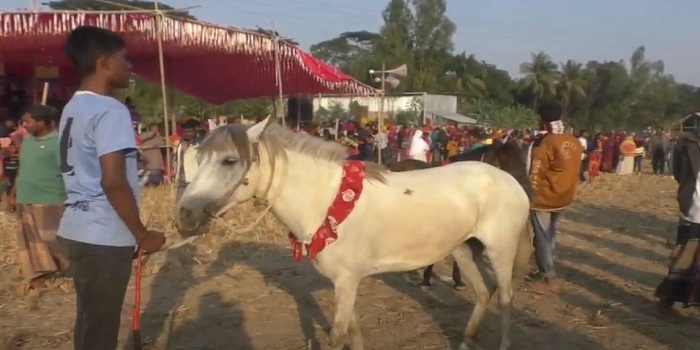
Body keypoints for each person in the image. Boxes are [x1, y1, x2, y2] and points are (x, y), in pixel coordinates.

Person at [57, 26, 165, 350]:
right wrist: (142, 234)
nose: (129, 67)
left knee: (90, 322)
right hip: (103, 233)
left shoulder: (72, 108)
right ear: (104, 62)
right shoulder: (110, 109)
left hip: (76, 229)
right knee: (100, 331)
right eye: (124, 59)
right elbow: (113, 181)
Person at [10, 105, 68, 289]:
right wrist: (13, 193)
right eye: (23, 121)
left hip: (50, 198)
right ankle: (38, 276)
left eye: (28, 121)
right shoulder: (27, 142)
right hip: (25, 198)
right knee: (29, 242)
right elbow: (23, 169)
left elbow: (68, 171)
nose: (24, 125)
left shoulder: (59, 142)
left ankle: (71, 267)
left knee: (51, 239)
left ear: (43, 123)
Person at [527, 101, 583, 293]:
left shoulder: (544, 142)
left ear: (540, 118)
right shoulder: (574, 140)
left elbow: (535, 172)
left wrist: (529, 196)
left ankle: (548, 277)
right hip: (564, 196)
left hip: (544, 198)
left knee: (541, 237)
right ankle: (544, 268)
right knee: (550, 235)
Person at [655, 122, 700, 314]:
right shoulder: (686, 144)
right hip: (693, 207)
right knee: (683, 253)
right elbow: (679, 173)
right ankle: (668, 297)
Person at [174, 119, 202, 201]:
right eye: (185, 132)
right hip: (183, 179)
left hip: (196, 178)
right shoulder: (181, 144)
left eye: (189, 132)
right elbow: (178, 161)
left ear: (195, 131)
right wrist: (177, 176)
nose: (187, 134)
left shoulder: (200, 144)